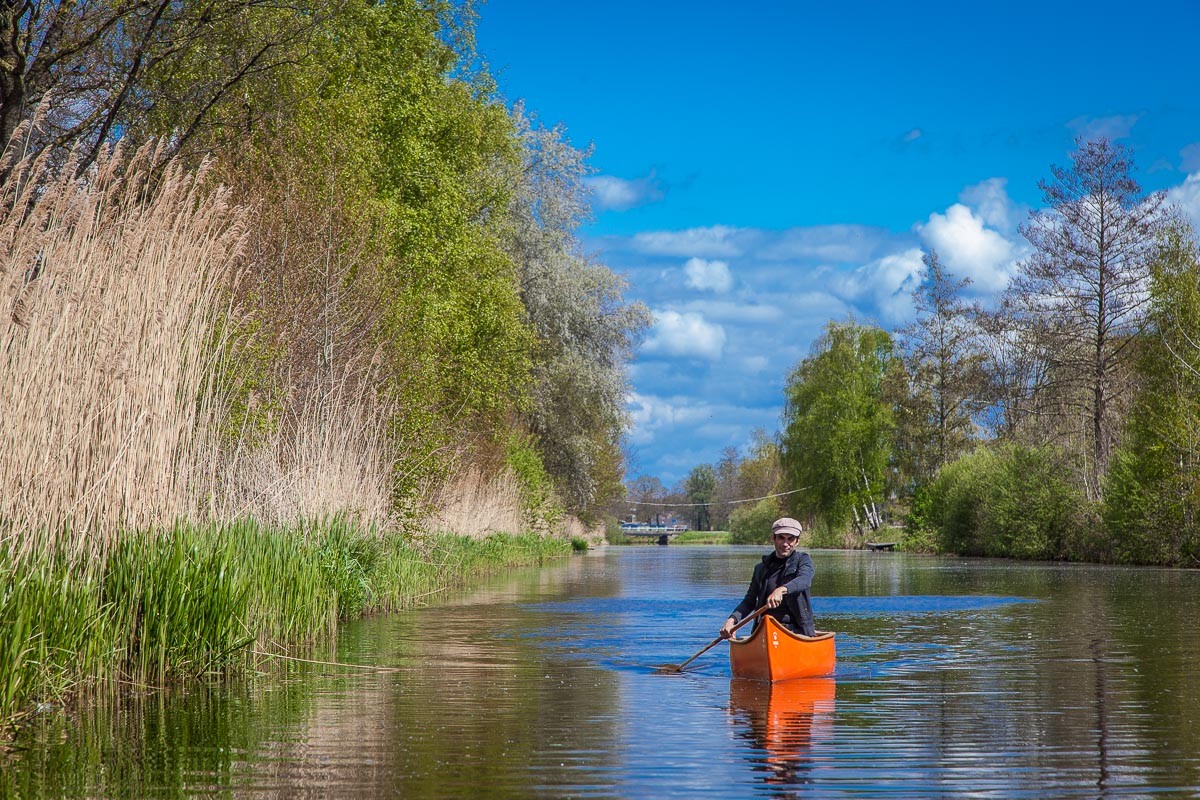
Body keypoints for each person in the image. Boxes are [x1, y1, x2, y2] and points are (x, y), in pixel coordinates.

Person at [719, 517, 817, 639]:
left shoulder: (803, 561)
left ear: (797, 541)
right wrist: (732, 620)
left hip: (797, 631)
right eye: (781, 537)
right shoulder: (761, 568)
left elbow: (804, 581)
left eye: (790, 539)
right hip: (764, 631)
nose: (785, 543)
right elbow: (749, 601)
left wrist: (781, 590)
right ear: (773, 538)